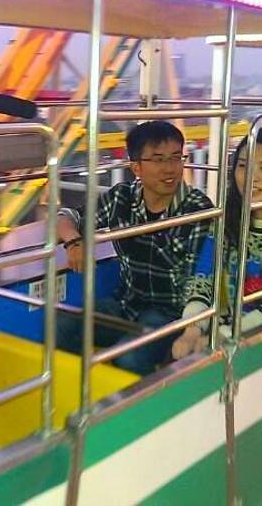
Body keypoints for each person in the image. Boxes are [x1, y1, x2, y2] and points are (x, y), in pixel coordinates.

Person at [56, 121, 214, 375]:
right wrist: (73, 241)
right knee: (61, 325)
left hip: (170, 314)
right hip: (126, 303)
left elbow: (201, 279)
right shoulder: (122, 198)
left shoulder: (197, 209)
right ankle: (82, 387)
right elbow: (66, 217)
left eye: (176, 158)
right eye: (158, 159)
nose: (170, 168)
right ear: (136, 167)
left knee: (128, 358)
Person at [172, 126, 262, 359]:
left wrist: (223, 336)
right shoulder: (225, 223)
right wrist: (192, 329)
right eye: (243, 165)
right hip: (220, 330)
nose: (250, 177)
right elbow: (204, 277)